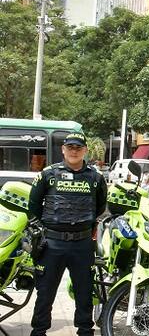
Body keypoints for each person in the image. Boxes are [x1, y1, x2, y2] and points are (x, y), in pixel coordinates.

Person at [28, 132, 107, 336]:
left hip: (82, 245)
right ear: (63, 150)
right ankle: (38, 331)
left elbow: (100, 206)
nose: (74, 151)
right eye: (70, 147)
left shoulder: (96, 177)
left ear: (85, 151)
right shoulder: (47, 174)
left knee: (85, 293)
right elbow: (33, 206)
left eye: (78, 148)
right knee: (45, 293)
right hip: (52, 244)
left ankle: (85, 330)